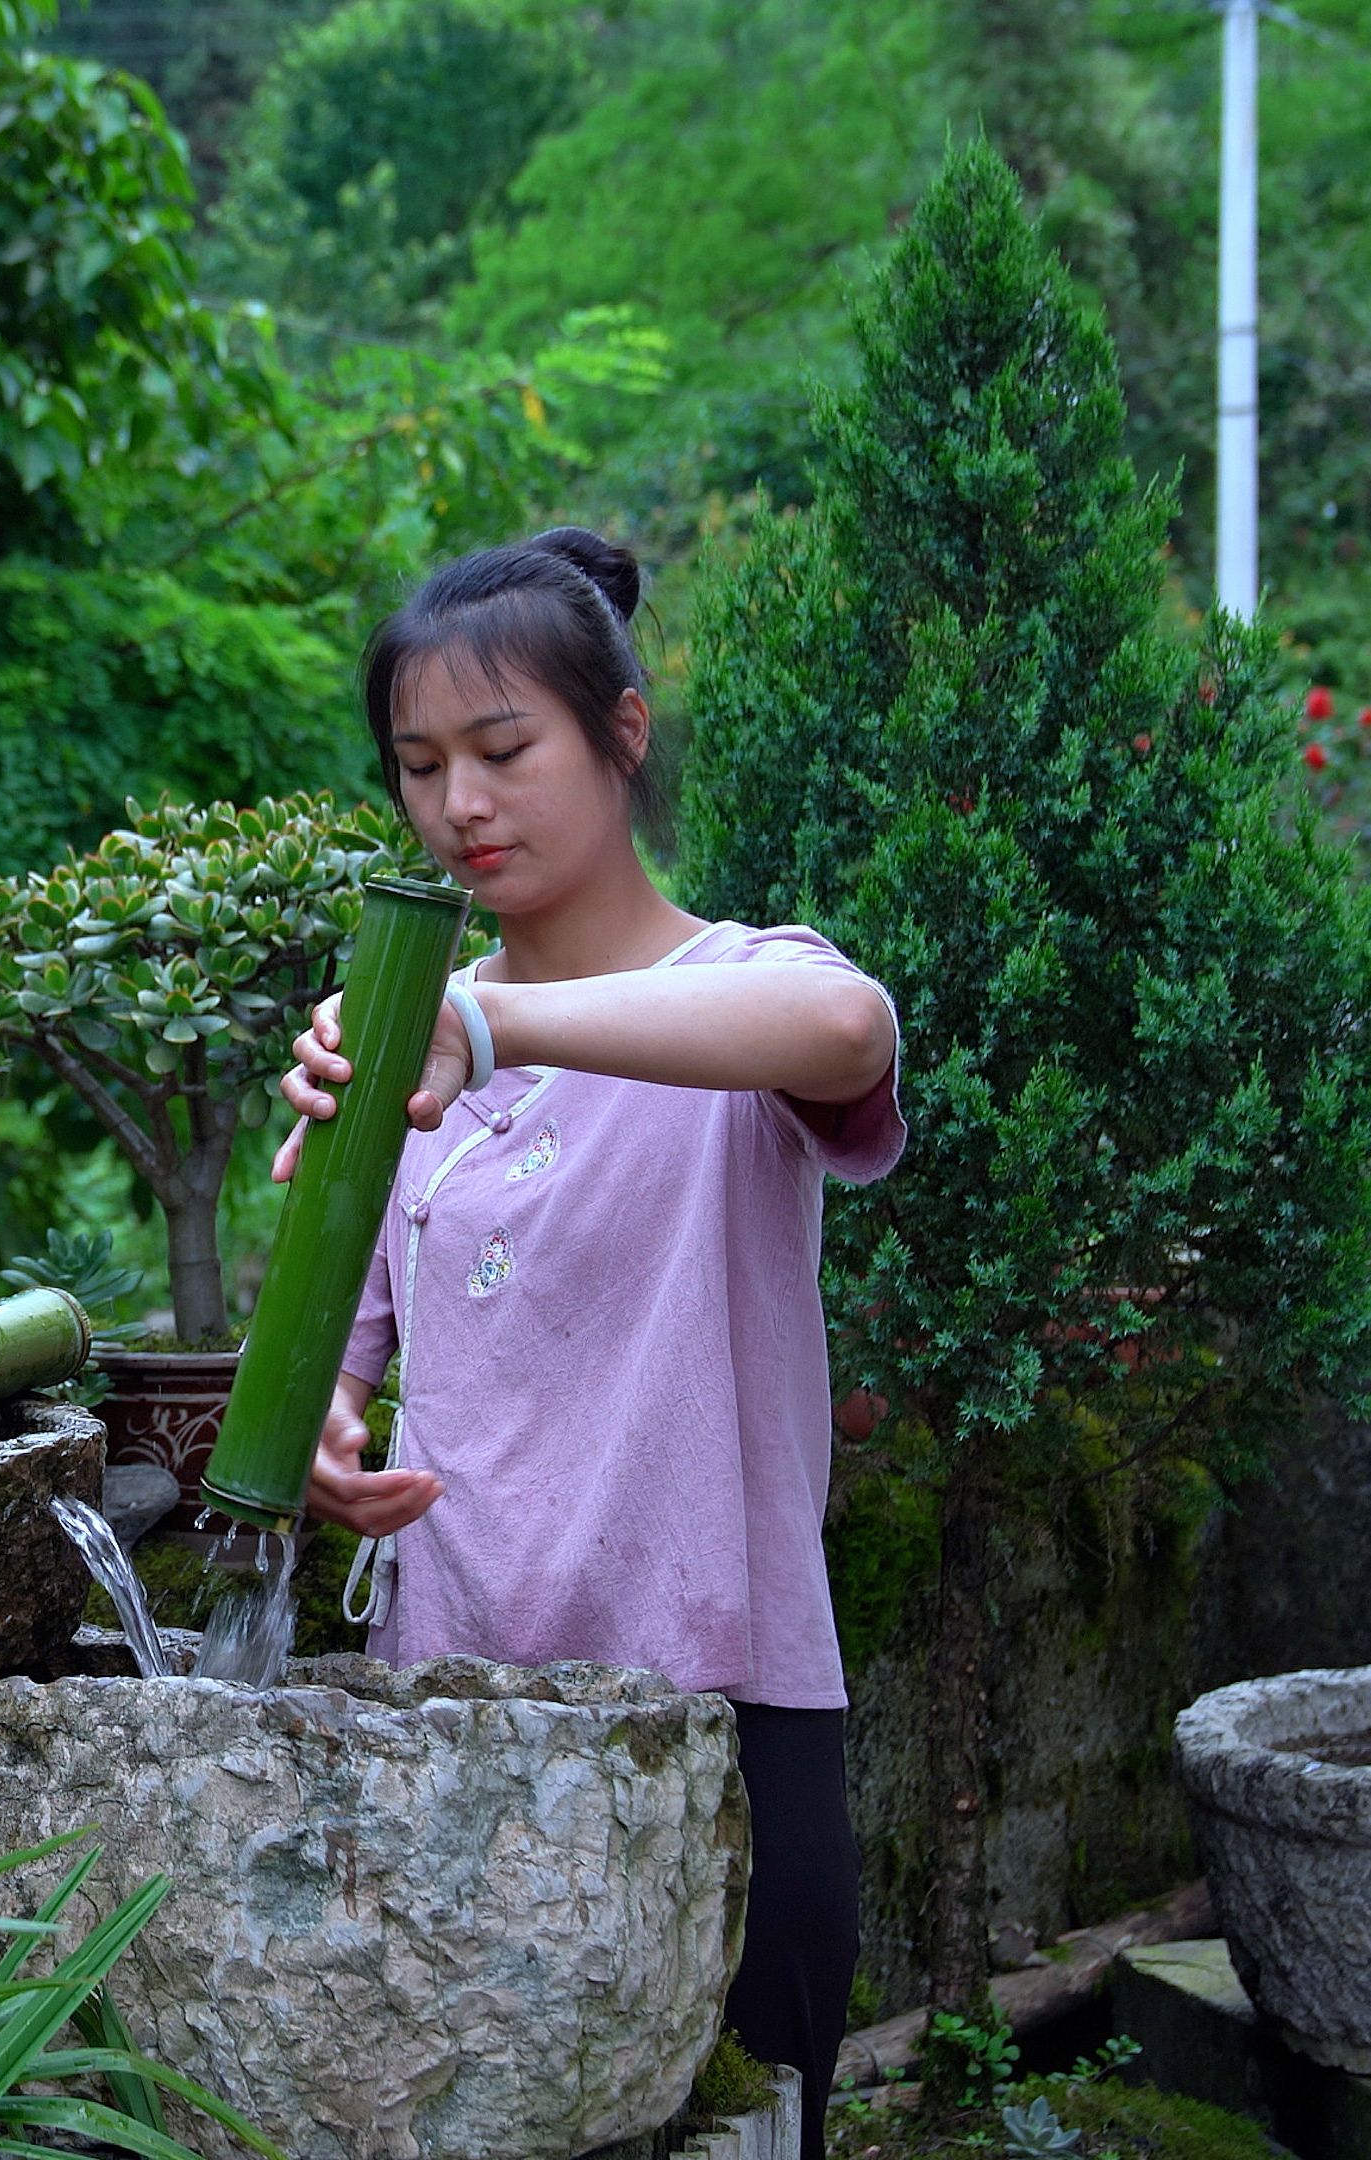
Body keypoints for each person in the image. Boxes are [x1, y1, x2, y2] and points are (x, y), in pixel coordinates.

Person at [275, 527, 903, 2160]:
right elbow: (349, 1343)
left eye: (502, 752)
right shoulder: (414, 1044)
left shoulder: (736, 991)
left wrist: (484, 1022)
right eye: (418, 768)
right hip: (462, 1710)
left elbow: (849, 1035)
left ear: (621, 734)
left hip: (724, 1695)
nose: (457, 806)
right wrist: (331, 1435)